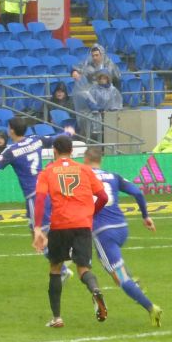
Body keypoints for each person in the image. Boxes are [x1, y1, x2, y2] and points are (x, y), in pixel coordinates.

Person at [31, 134, 109, 328]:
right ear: (72, 151)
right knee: (84, 269)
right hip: (82, 224)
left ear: (54, 151)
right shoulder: (84, 170)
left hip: (60, 225)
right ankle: (95, 289)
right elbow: (103, 197)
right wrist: (90, 213)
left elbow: (40, 200)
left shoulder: (48, 172)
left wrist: (38, 228)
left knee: (55, 268)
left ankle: (57, 318)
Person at [83, 147, 162, 327]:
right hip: (121, 228)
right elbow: (138, 192)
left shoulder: (83, 176)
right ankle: (131, 282)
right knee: (108, 262)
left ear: (86, 159)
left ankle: (151, 307)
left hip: (104, 233)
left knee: (120, 277)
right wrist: (145, 216)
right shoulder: (113, 176)